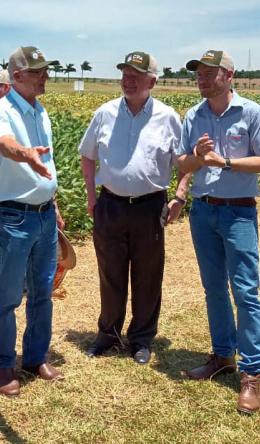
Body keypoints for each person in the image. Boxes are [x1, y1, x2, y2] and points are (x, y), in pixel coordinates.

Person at [177, 49, 260, 415]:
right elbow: (182, 162)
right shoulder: (194, 115)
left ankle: (251, 372)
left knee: (245, 291)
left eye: (209, 73)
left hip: (238, 213)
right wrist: (198, 157)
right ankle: (222, 356)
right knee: (214, 288)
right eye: (199, 73)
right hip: (203, 211)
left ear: (229, 75)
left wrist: (227, 162)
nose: (202, 79)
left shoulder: (251, 113)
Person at [78, 51, 189, 365]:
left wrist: (180, 195)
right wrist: (91, 197)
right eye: (125, 74)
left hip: (149, 207)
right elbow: (88, 155)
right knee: (110, 273)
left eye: (136, 76)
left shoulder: (168, 117)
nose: (128, 80)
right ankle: (108, 335)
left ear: (152, 82)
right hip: (110, 204)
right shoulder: (105, 113)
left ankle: (141, 339)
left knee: (148, 275)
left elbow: (185, 161)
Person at [0, 45, 66, 398]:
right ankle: (3, 364)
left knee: (43, 292)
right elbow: (5, 144)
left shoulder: (40, 111)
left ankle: (34, 357)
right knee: (8, 296)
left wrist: (53, 201)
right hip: (14, 217)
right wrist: (25, 154)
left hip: (44, 215)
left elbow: (47, 165)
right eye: (38, 71)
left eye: (46, 70)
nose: (46, 76)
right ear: (17, 76)